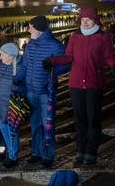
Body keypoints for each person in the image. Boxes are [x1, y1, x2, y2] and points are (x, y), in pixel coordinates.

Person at [46, 7, 115, 165]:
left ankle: (91, 151)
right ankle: (80, 149)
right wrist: (53, 61)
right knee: (80, 119)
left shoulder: (103, 37)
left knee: (93, 119)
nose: (85, 22)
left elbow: (109, 56)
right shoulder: (75, 37)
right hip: (76, 84)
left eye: (89, 19)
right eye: (83, 19)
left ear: (95, 20)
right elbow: (68, 57)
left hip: (94, 84)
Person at [19, 15, 67, 168]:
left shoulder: (55, 45)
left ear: (38, 28)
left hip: (46, 92)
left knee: (48, 125)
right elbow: (24, 66)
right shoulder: (31, 44)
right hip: (31, 91)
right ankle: (36, 152)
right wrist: (16, 80)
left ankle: (48, 155)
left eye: (31, 26)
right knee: (35, 124)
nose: (28, 29)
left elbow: (67, 64)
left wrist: (53, 67)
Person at [0, 43, 23, 168]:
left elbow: (21, 86)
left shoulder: (19, 68)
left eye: (2, 55)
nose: (0, 57)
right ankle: (10, 152)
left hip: (11, 105)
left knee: (12, 131)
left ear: (10, 56)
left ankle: (13, 156)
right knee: (3, 129)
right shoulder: (2, 65)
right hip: (1, 103)